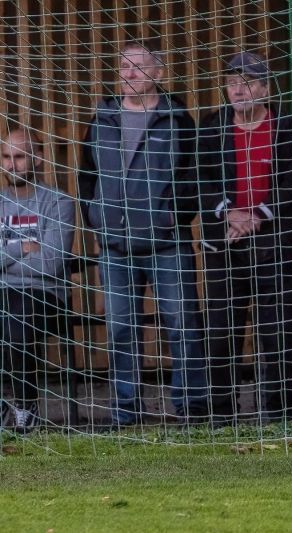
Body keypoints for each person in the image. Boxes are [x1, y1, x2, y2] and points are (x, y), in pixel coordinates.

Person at [77, 41, 208, 427]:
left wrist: (174, 215)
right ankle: (125, 410)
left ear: (158, 74)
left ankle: (191, 406)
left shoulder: (178, 118)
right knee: (120, 330)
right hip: (115, 246)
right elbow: (87, 176)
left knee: (182, 324)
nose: (129, 74)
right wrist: (98, 218)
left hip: (168, 242)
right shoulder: (101, 118)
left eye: (138, 67)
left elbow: (194, 176)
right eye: (123, 67)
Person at [197, 51, 292, 424]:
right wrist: (229, 212)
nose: (238, 91)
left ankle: (277, 414)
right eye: (231, 84)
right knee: (222, 331)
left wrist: (257, 215)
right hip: (224, 243)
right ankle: (222, 416)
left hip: (274, 243)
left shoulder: (287, 128)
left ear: (264, 87)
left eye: (247, 83)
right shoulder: (211, 128)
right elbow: (198, 181)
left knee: (277, 333)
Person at [0, 127, 74, 433]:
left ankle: (25, 405)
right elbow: (36, 256)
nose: (11, 164)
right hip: (4, 293)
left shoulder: (59, 202)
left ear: (37, 158)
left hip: (45, 296)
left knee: (15, 316)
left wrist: (4, 258)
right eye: (5, 157)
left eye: (19, 157)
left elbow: (51, 263)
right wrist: (22, 248)